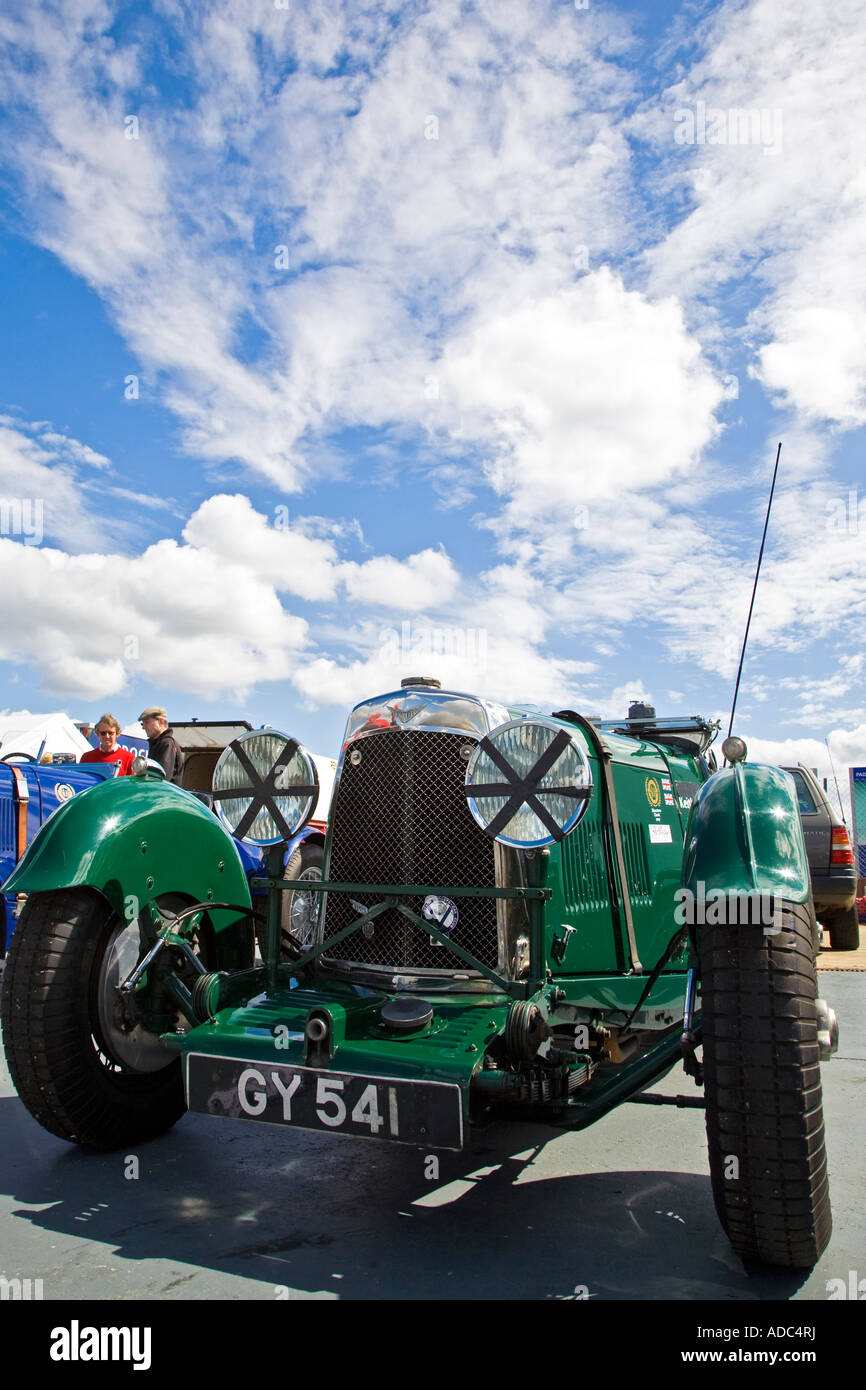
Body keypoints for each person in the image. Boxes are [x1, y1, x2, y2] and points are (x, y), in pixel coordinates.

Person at [138, 706, 184, 783]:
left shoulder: (166, 743)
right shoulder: (158, 744)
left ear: (161, 721)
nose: (143, 727)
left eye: (146, 722)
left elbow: (161, 778)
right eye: (142, 724)